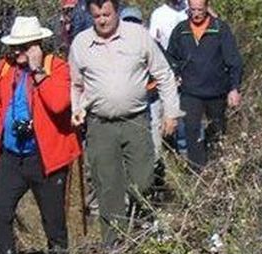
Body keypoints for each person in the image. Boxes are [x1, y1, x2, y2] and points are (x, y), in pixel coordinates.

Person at [0, 15, 82, 254]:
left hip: (46, 157)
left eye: (23, 47)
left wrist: (39, 70)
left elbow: (59, 104)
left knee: (54, 224)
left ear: (37, 45)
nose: (17, 54)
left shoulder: (57, 68)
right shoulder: (5, 69)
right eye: (15, 48)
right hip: (12, 158)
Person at [69, 0, 181, 240]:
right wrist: (77, 109)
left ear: (116, 11)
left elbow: (163, 74)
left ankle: (143, 235)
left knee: (144, 181)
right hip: (100, 126)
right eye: (97, 15)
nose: (102, 20)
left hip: (135, 122)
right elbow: (76, 85)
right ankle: (114, 246)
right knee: (108, 188)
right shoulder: (81, 44)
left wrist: (171, 112)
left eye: (106, 14)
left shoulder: (137, 36)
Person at [166, 0, 243, 172]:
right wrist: (176, 72)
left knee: (217, 130)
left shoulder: (220, 29)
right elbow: (170, 56)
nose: (196, 14)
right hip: (190, 91)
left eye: (200, 10)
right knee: (192, 130)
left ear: (207, 8)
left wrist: (234, 88)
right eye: (192, 10)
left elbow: (234, 61)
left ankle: (218, 168)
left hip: (216, 90)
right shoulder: (181, 30)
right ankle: (197, 172)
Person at [147, 0, 189, 155]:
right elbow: (153, 45)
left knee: (192, 118)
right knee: (175, 117)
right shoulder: (159, 15)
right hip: (169, 73)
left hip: (193, 72)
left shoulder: (191, 7)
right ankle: (180, 156)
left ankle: (192, 160)